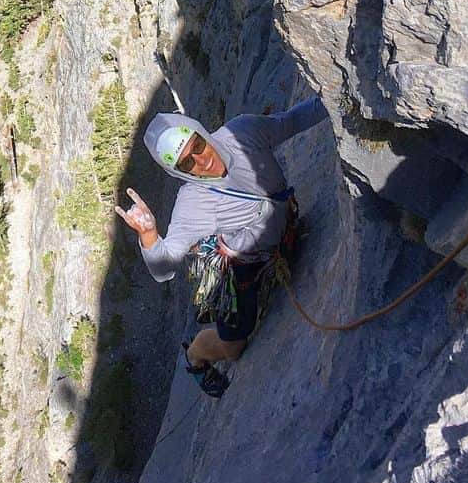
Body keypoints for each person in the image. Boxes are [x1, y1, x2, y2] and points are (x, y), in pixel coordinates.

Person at [115, 96, 328, 398]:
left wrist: (340, 97)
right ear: (178, 172)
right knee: (234, 347)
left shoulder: (243, 133)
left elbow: (291, 120)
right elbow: (164, 266)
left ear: (201, 132)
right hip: (243, 267)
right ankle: (196, 356)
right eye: (187, 163)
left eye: (198, 147)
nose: (201, 161)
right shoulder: (192, 204)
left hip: (278, 232)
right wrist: (149, 236)